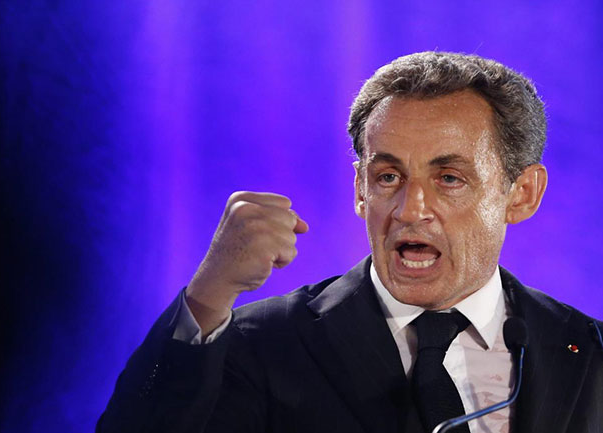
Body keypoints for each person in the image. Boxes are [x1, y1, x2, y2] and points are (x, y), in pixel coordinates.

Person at [97, 52, 603, 433]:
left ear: (522, 193)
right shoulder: (262, 342)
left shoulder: (589, 350)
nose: (410, 210)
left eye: (449, 178)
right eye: (388, 177)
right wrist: (210, 293)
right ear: (360, 190)